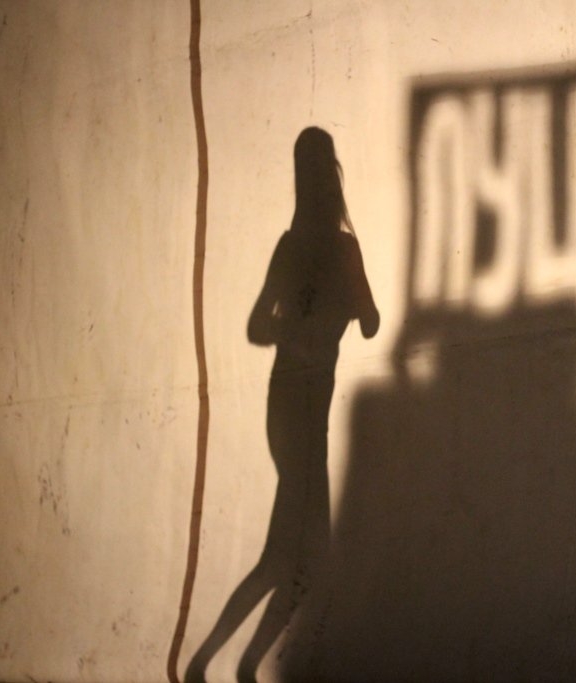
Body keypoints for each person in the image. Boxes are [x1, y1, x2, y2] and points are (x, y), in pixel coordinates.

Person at [186, 127, 378, 682]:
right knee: (298, 556)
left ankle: (229, 664)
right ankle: (225, 664)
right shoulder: (308, 247)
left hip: (299, 411)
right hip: (297, 412)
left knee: (295, 556)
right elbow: (260, 324)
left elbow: (368, 320)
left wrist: (327, 317)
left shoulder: (320, 248)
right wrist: (306, 332)